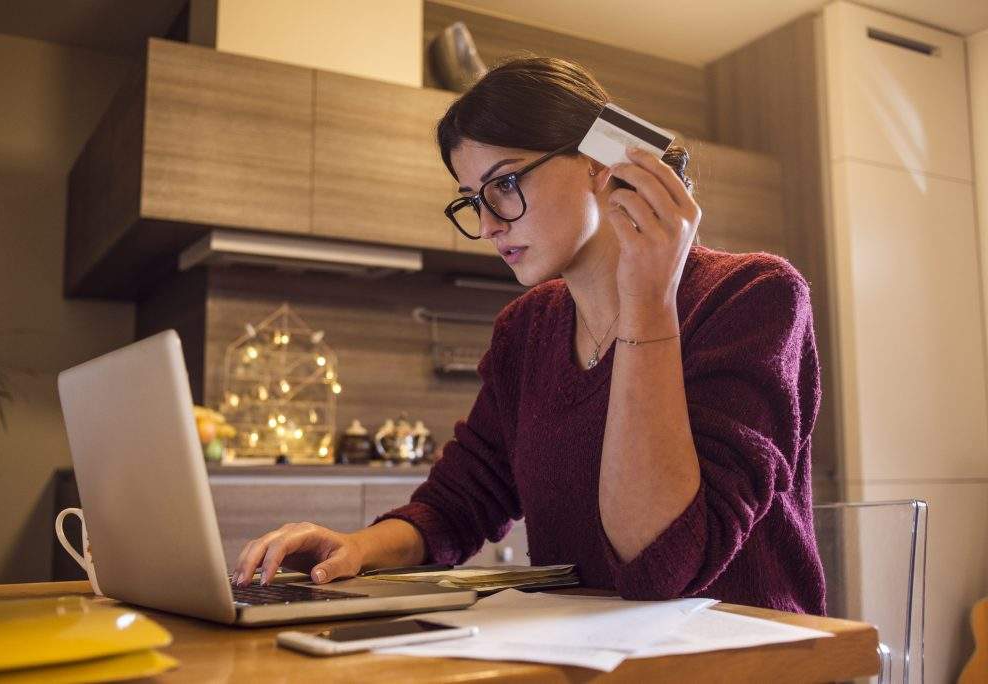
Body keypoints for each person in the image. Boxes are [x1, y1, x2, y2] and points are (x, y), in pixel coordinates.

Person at [232, 56, 826, 615]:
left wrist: (647, 296)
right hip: (590, 662)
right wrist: (356, 548)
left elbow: (660, 565)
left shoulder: (753, 295)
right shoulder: (526, 329)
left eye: (506, 183)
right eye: (473, 200)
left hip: (746, 656)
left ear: (600, 163)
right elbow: (458, 503)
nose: (488, 224)